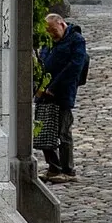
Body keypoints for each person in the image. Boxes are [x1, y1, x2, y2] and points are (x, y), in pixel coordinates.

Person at [37, 11, 88, 182]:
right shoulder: (49, 42)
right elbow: (42, 61)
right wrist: (40, 85)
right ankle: (53, 167)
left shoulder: (76, 40)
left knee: (63, 131)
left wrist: (54, 86)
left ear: (61, 24)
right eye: (48, 32)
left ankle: (68, 170)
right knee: (43, 130)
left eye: (53, 30)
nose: (51, 34)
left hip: (63, 92)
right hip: (45, 92)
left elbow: (74, 67)